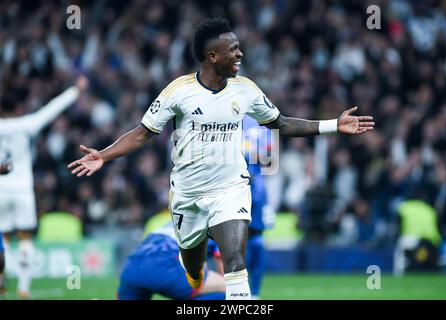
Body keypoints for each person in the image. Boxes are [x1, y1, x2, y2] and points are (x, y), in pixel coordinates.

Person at [68, 18, 374, 300]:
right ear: (212, 56)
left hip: (231, 188)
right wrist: (103, 156)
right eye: (233, 49)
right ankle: (193, 267)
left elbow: (279, 123)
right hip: (188, 194)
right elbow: (142, 133)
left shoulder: (246, 90)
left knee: (235, 262)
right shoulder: (179, 91)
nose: (240, 54)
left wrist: (334, 125)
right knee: (193, 271)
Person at [0, 76, 88, 299]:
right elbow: (51, 110)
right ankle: (24, 288)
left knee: (3, 239)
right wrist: (75, 91)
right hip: (23, 190)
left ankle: (2, 280)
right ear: (18, 108)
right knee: (26, 238)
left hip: (1, 189)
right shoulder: (26, 124)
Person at [118, 222, 225, 300]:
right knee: (232, 290)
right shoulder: (217, 224)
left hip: (132, 266)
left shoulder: (174, 221)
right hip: (167, 262)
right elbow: (224, 272)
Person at [242, 115, 275, 299]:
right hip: (239, 190)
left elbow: (268, 159)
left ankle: (253, 291)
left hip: (256, 193)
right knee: (240, 242)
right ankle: (244, 289)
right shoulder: (229, 120)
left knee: (255, 242)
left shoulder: (262, 127)